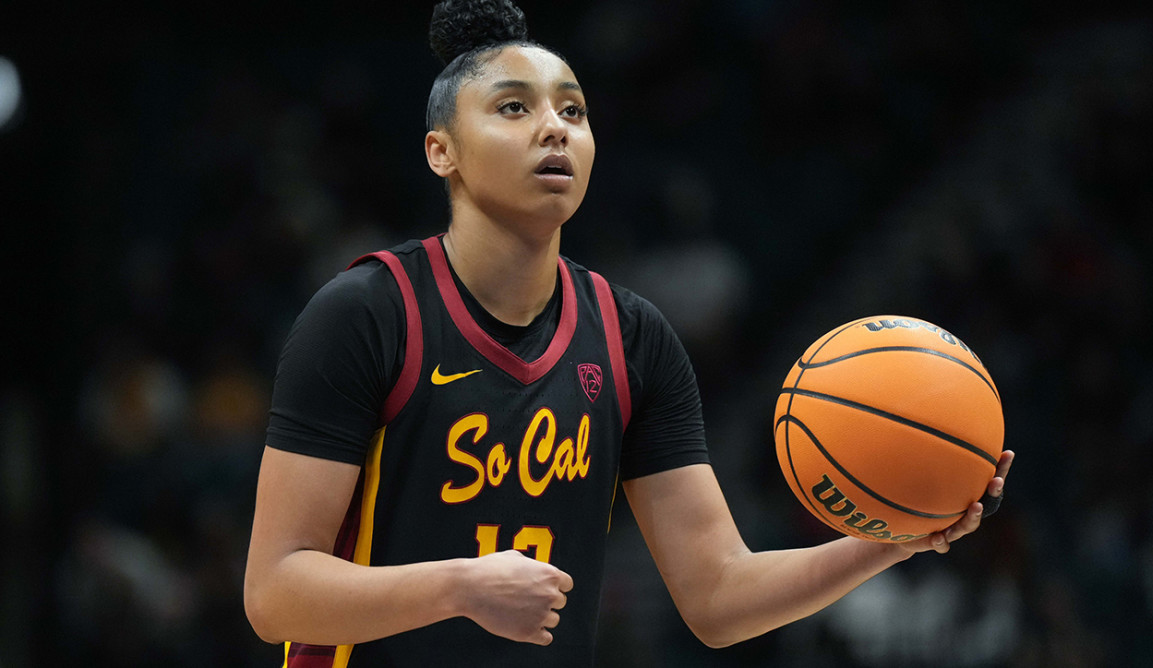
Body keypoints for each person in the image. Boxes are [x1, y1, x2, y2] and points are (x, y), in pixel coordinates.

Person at [243, 1, 1015, 666]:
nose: (554, 127)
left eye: (572, 110)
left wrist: (895, 539)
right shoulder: (365, 314)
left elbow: (717, 597)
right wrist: (459, 585)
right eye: (515, 108)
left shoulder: (632, 338)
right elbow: (275, 594)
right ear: (441, 151)